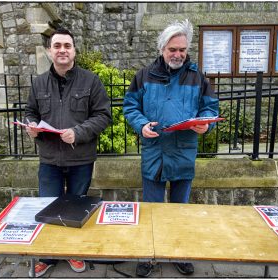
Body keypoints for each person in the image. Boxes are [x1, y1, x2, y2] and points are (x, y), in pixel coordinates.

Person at [123, 19, 219, 277]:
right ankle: (149, 255)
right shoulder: (143, 76)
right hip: (154, 153)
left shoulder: (198, 77)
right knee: (152, 210)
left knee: (180, 211)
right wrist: (141, 124)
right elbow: (130, 107)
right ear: (162, 48)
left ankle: (179, 253)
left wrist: (205, 125)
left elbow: (210, 108)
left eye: (182, 50)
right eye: (172, 49)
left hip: (183, 153)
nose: (178, 54)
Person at [25, 28, 111, 277]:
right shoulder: (39, 82)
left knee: (75, 209)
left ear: (74, 50)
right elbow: (31, 112)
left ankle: (73, 250)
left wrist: (79, 132)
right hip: (49, 159)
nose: (62, 50)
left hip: (80, 158)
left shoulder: (91, 81)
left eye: (67, 45)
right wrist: (31, 126)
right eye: (57, 45)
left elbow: (103, 115)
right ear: (50, 51)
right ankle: (48, 257)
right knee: (47, 208)